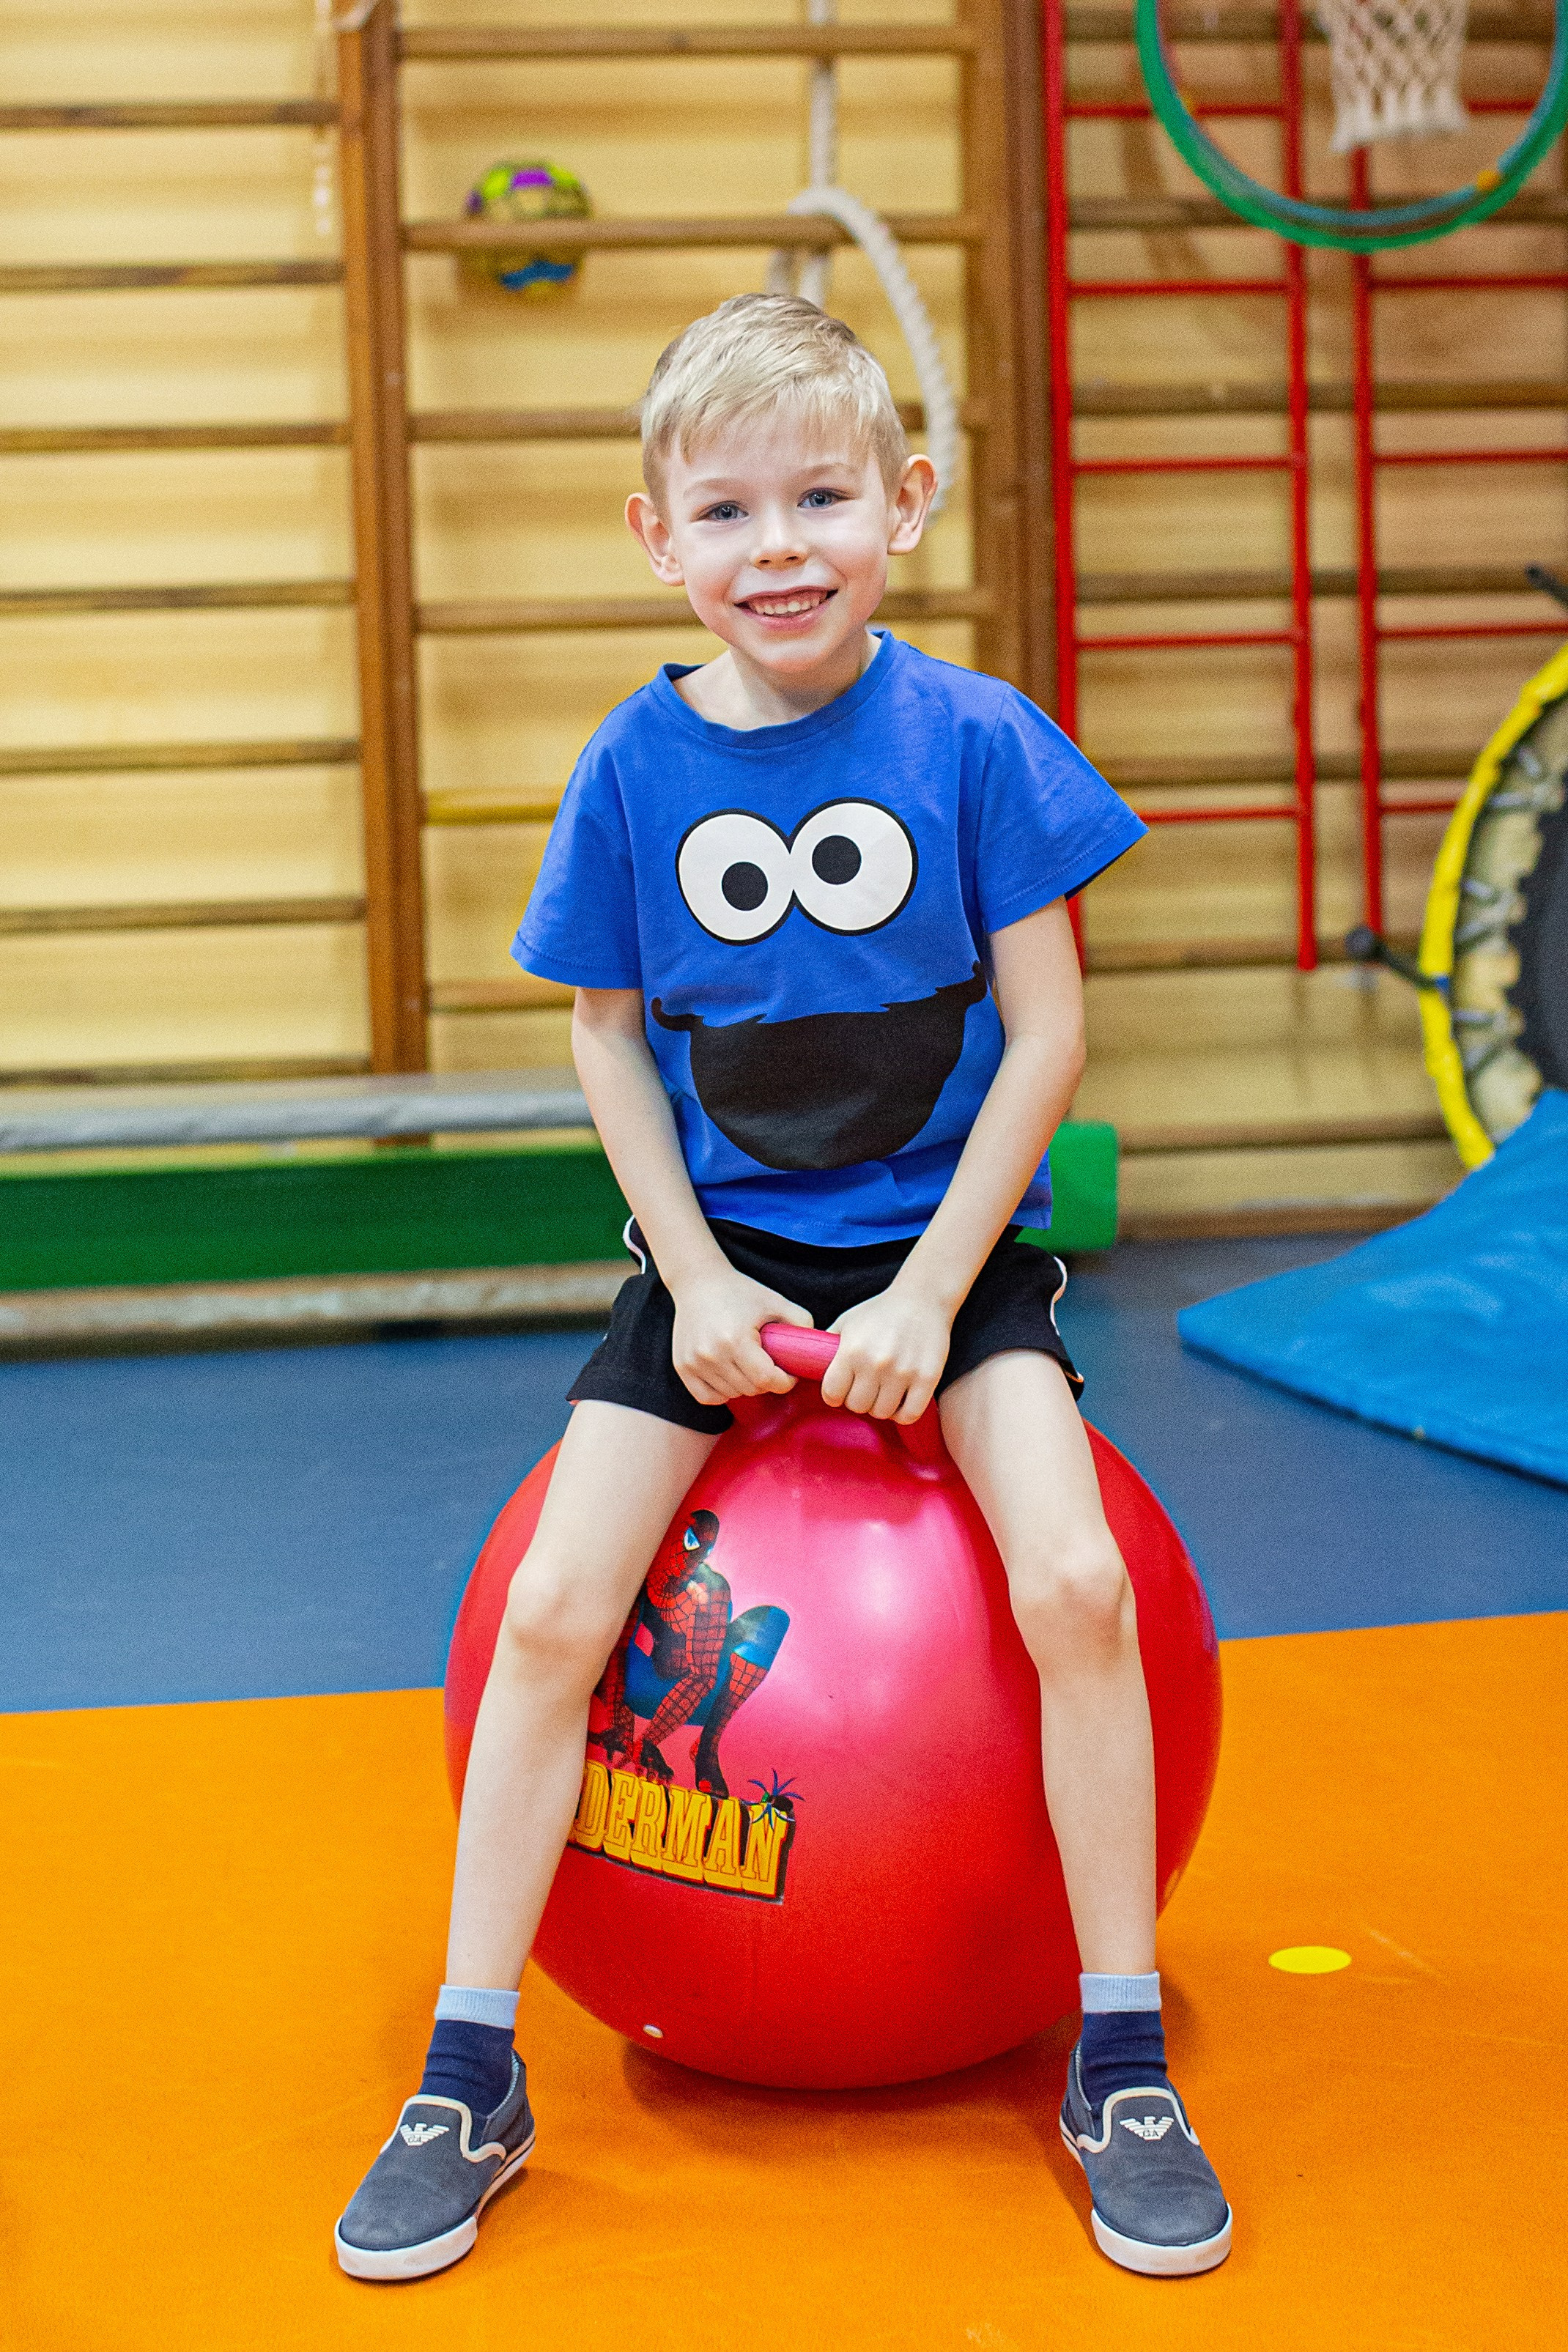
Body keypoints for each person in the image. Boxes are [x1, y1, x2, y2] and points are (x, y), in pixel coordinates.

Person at [335, 294, 1231, 2284]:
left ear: (904, 503)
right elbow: (601, 1036)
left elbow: (1049, 1033)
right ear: (657, 536)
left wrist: (927, 1293)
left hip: (944, 1257)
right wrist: (691, 1271)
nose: (780, 544)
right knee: (559, 1609)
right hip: (718, 1268)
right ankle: (469, 2066)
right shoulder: (634, 764)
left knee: (1076, 1583)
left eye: (822, 493)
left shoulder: (978, 738)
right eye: (727, 507)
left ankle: (1119, 2045)